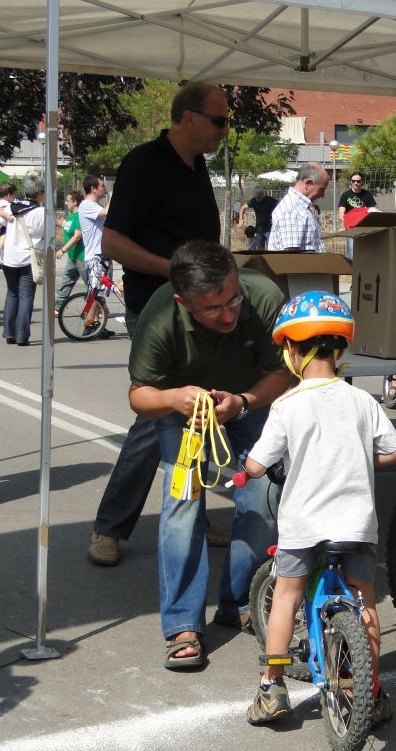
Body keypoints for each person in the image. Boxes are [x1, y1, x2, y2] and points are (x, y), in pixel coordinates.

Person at [239, 290, 396, 726]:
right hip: (356, 524)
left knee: (287, 595)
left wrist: (245, 469)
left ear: (292, 350)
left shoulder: (287, 404)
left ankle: (272, 689)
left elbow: (258, 464)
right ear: (340, 348)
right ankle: (372, 691)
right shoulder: (363, 401)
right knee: (365, 600)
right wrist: (355, 456)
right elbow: (394, 452)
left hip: (304, 525)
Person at [127, 241, 290, 669]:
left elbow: (283, 372)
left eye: (233, 299)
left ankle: (239, 601)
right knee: (182, 505)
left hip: (249, 404)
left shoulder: (266, 296)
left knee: (263, 502)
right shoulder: (162, 314)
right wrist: (175, 399)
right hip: (184, 413)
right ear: (183, 301)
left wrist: (243, 401)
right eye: (213, 309)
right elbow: (139, 396)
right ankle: (183, 623)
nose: (229, 314)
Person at [88, 81, 227, 568]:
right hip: (157, 307)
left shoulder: (197, 166)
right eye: (218, 121)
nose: (224, 131)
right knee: (160, 414)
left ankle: (191, 510)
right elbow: (112, 243)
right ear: (187, 117)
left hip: (204, 308)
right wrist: (173, 270)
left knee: (202, 413)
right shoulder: (144, 163)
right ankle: (110, 525)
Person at [0, 174, 45, 347]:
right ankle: (21, 335)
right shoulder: (41, 212)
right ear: (40, 193)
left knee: (12, 294)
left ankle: (9, 332)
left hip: (9, 257)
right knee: (26, 296)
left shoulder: (13, 206)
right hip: (28, 258)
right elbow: (45, 235)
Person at [78, 174, 114, 338]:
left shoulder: (94, 206)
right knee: (95, 291)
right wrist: (113, 196)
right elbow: (107, 212)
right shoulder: (86, 205)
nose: (104, 189)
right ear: (93, 188)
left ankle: (96, 325)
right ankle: (89, 324)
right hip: (95, 255)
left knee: (99, 291)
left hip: (102, 254)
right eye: (102, 187)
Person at [267, 163, 330, 252]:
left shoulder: (300, 207)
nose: (322, 195)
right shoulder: (292, 211)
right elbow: (292, 258)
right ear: (308, 184)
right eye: (321, 189)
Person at [54, 190, 86, 310]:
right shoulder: (71, 216)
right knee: (66, 283)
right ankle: (58, 308)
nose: (66, 203)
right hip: (73, 257)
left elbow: (78, 236)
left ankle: (99, 309)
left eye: (68, 201)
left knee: (91, 287)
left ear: (75, 202)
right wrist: (51, 217)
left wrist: (62, 250)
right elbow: (65, 225)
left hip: (81, 258)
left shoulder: (79, 216)